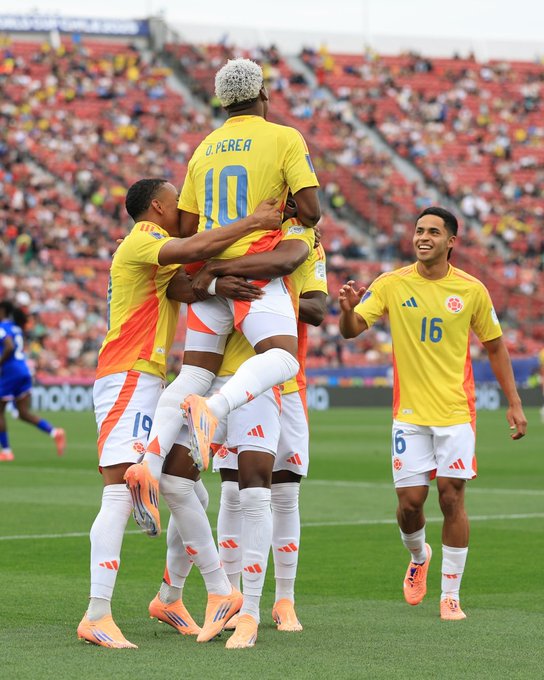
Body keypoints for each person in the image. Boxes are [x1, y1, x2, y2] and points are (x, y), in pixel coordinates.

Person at [77, 177, 281, 649]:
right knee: (120, 491)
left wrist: (215, 281)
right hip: (126, 374)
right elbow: (195, 244)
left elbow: (184, 290)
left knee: (182, 485)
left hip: (146, 377)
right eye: (175, 205)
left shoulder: (153, 256)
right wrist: (253, 222)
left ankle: (178, 595)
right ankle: (98, 613)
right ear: (156, 207)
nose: (182, 211)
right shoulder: (147, 238)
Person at [125, 57, 321, 541]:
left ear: (221, 99)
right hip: (253, 271)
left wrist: (210, 272)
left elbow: (189, 230)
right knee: (282, 357)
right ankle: (213, 409)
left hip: (208, 279)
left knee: (192, 374)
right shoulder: (285, 137)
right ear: (263, 94)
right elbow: (312, 213)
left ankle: (146, 464)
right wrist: (288, 207)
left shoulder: (202, 149)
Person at [338, 206, 527, 621]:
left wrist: (514, 402)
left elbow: (495, 345)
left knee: (452, 496)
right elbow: (352, 331)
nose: (423, 237)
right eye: (419, 230)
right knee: (410, 504)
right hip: (409, 413)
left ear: (451, 241)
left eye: (433, 232)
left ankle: (450, 595)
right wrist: (349, 311)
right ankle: (419, 554)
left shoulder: (473, 290)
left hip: (456, 412)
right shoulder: (391, 284)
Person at [148, 201, 321, 646]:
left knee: (273, 491)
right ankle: (201, 594)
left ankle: (270, 603)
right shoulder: (220, 235)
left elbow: (316, 306)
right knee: (205, 487)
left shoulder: (299, 239)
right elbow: (179, 287)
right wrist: (216, 283)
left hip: (272, 384)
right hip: (220, 379)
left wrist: (253, 285)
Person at [211, 228, 328, 648]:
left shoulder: (305, 245)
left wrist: (270, 289)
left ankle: (284, 599)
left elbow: (316, 309)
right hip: (231, 375)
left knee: (285, 493)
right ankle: (227, 595)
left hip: (287, 383)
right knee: (231, 489)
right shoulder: (234, 237)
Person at [0, 301, 65, 461]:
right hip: (24, 370)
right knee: (23, 413)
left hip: (10, 372)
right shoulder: (15, 327)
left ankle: (7, 451)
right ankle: (54, 432)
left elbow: (8, 346)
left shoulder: (2, 327)